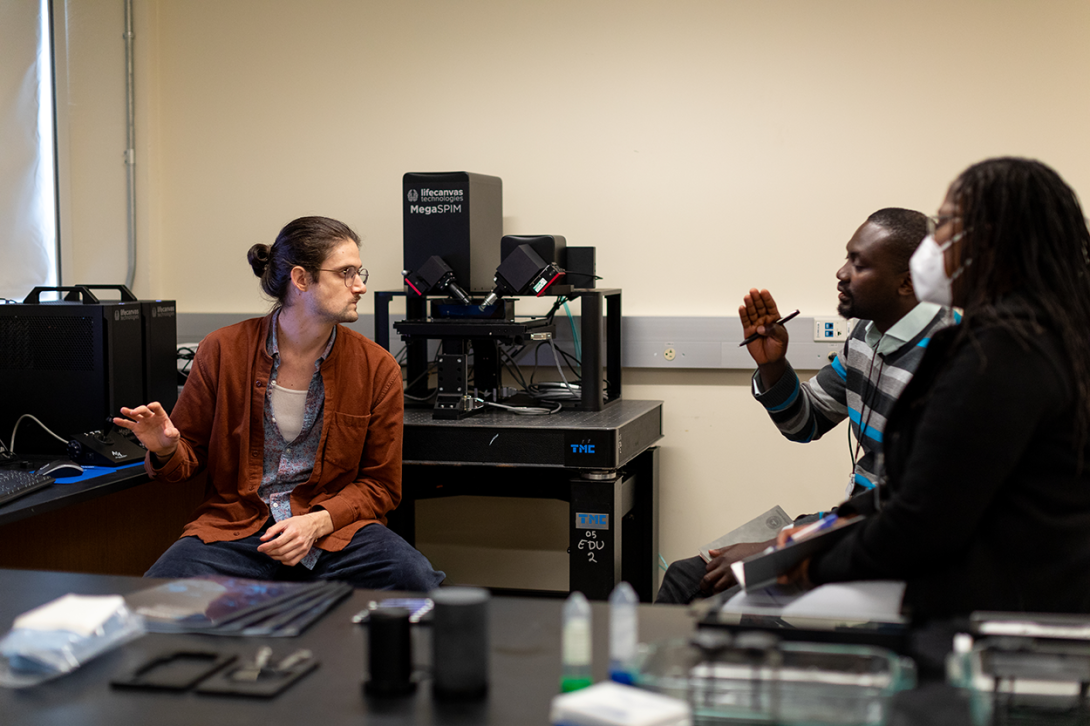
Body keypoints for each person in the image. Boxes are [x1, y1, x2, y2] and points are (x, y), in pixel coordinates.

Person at [786, 158, 1090, 618]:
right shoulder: (1044, 333)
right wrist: (830, 527)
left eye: (946, 222)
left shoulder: (1002, 356)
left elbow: (925, 521)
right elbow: (924, 487)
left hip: (1001, 613)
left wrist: (810, 565)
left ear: (990, 242)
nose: (933, 241)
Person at [114, 216, 445, 591]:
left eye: (359, 271)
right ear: (301, 280)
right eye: (346, 273)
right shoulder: (223, 349)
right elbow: (186, 460)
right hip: (237, 531)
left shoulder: (376, 367)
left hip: (334, 534)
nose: (361, 286)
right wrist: (165, 448)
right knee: (157, 594)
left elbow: (381, 485)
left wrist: (318, 521)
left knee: (415, 581)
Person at [656, 208, 950, 604]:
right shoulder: (866, 334)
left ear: (905, 283)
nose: (841, 272)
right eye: (847, 257)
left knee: (729, 596)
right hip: (847, 525)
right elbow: (805, 423)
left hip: (889, 549)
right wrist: (774, 365)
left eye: (858, 264)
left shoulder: (947, 360)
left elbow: (914, 513)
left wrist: (776, 549)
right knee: (686, 577)